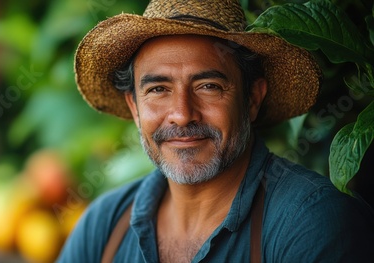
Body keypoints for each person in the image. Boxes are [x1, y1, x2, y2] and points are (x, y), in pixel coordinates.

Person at [58, 0, 374, 262]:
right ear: (134, 108)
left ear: (252, 99)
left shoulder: (311, 223)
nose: (182, 115)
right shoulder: (104, 225)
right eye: (158, 89)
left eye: (208, 86)